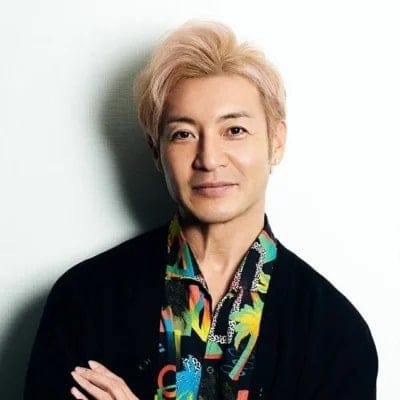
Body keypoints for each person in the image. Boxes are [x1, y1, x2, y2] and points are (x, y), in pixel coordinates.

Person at [24, 20, 378, 400]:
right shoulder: (85, 301)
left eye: (235, 130)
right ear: (156, 151)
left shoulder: (334, 334)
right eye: (184, 134)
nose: (209, 158)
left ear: (276, 141)